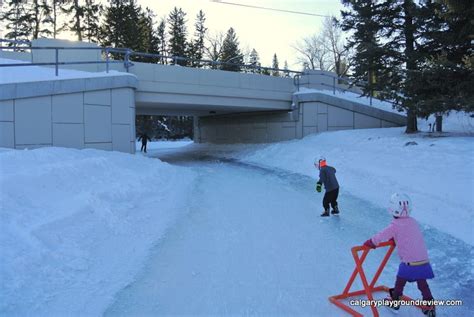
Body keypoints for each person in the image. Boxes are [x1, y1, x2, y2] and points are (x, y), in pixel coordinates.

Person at [363, 193, 436, 316]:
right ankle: (430, 306)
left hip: (409, 263)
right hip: (423, 261)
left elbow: (383, 234)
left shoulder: (395, 225)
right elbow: (408, 235)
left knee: (400, 282)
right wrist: (396, 238)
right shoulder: (413, 222)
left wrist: (372, 242)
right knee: (423, 284)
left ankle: (395, 301)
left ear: (392, 209)